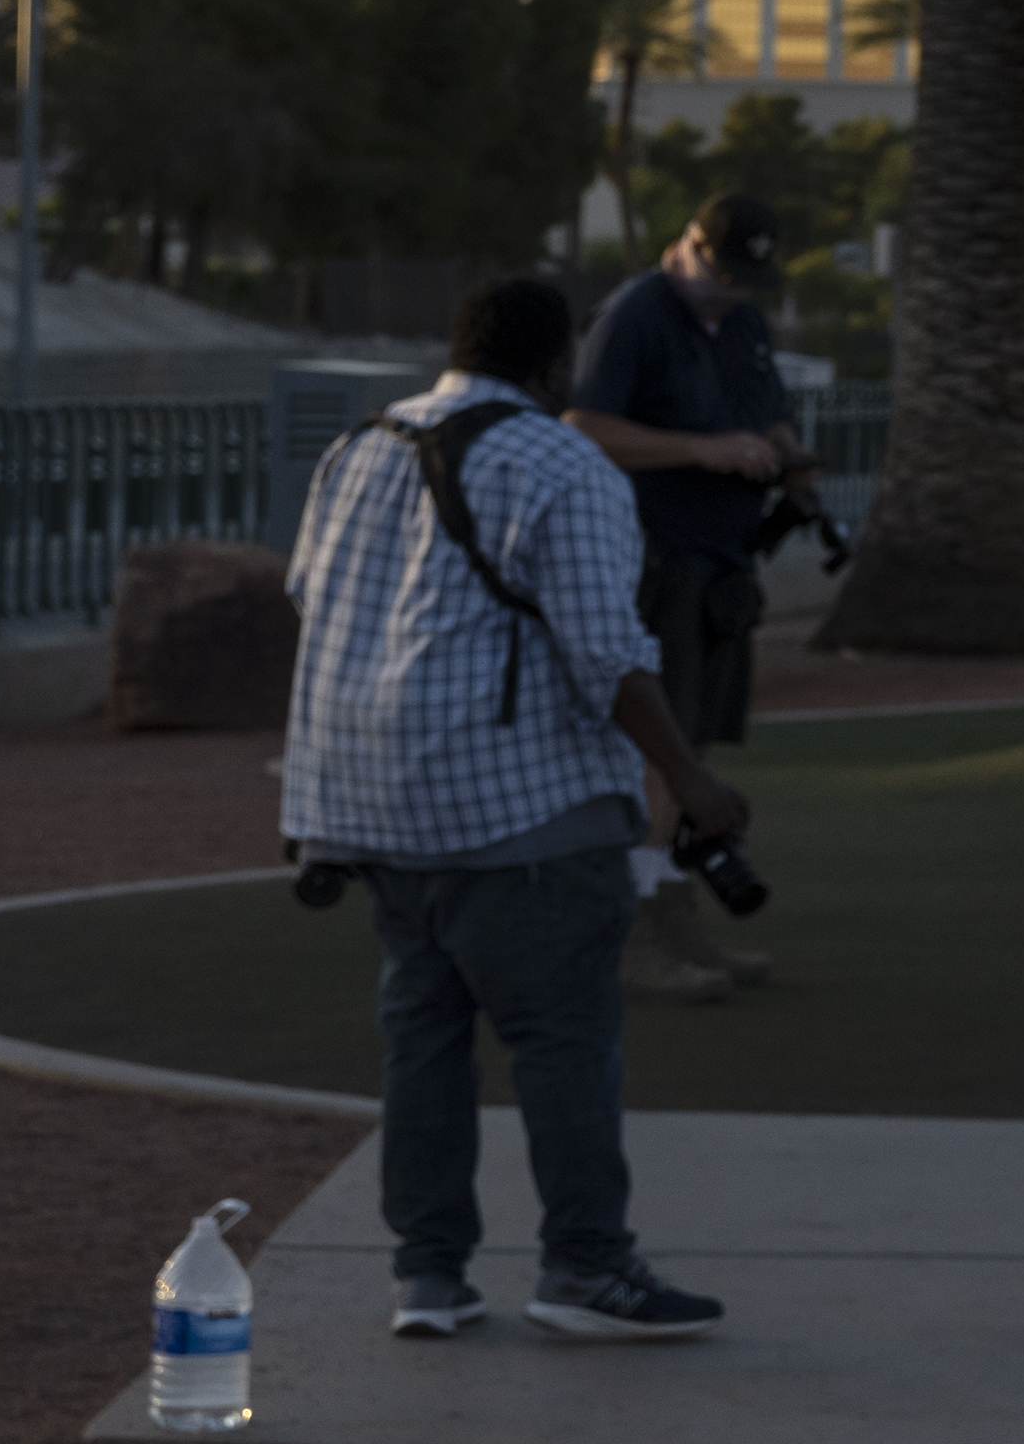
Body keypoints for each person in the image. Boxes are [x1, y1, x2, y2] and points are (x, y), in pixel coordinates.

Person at [279, 277, 755, 1343]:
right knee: (562, 1039)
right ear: (556, 366)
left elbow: (311, 599)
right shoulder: (560, 462)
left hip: (368, 805)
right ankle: (587, 1267)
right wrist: (692, 781)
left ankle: (429, 1279)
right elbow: (607, 652)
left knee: (424, 1040)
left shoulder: (358, 447)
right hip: (518, 812)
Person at [567, 192, 806, 1002]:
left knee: (694, 744)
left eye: (745, 280)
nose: (731, 290)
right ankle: (631, 929)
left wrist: (784, 456)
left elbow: (766, 411)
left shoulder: (739, 322)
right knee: (658, 748)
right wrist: (701, 450)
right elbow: (585, 425)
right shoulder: (638, 314)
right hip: (657, 555)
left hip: (721, 562)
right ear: (689, 244)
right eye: (722, 271)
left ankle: (674, 913)